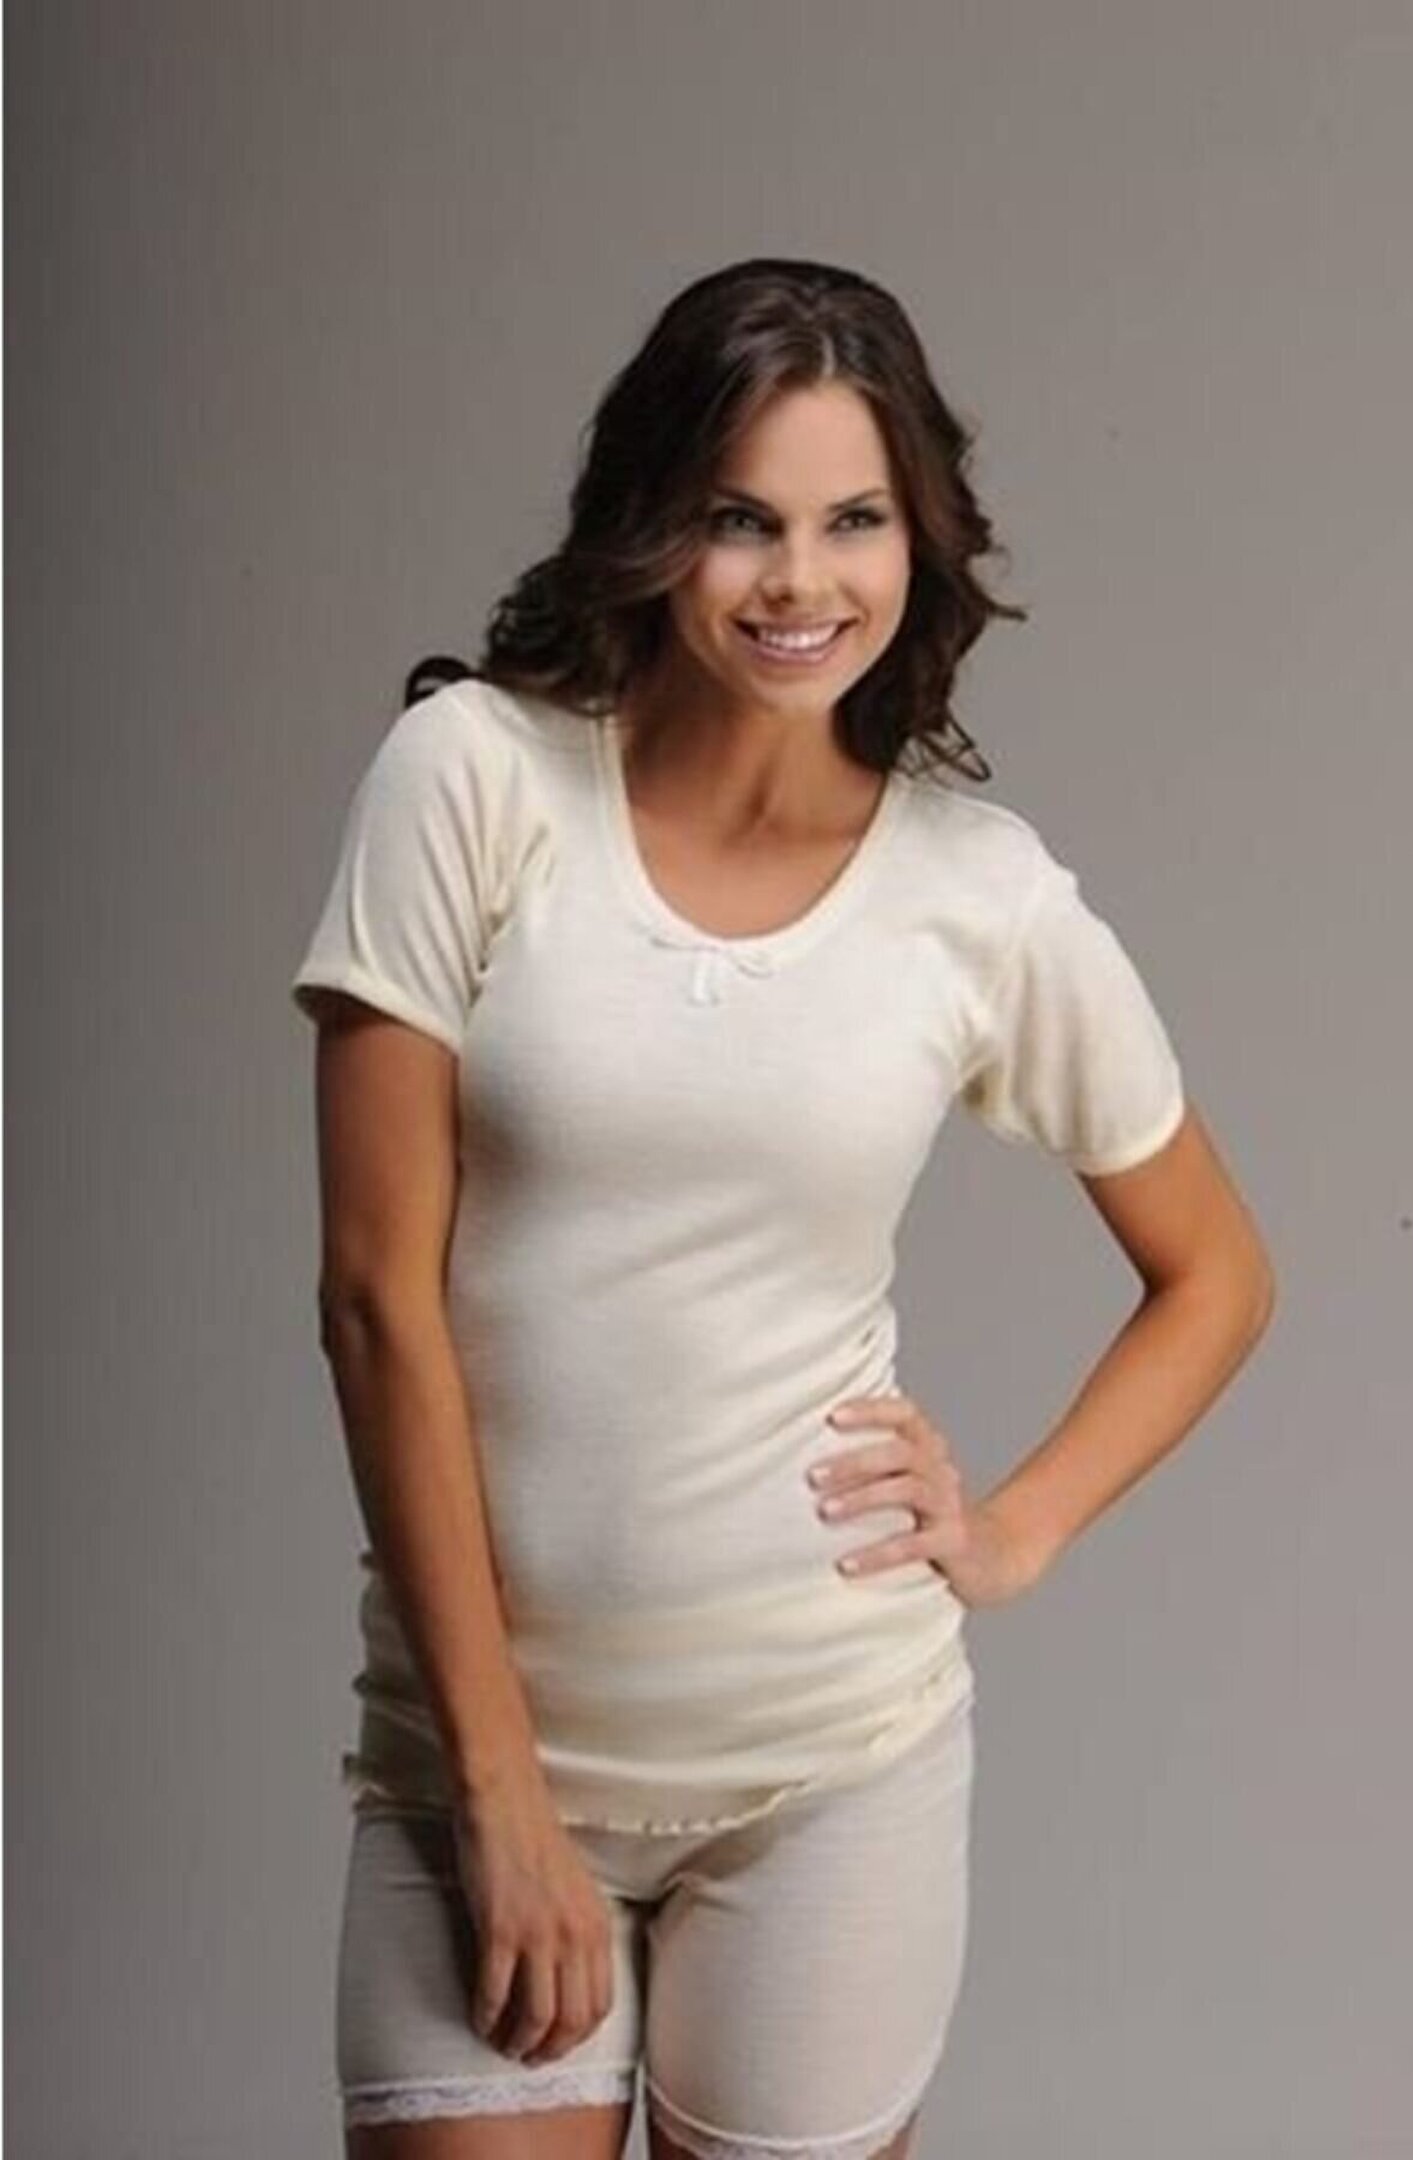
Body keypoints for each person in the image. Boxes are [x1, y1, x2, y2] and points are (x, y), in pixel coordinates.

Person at [289, 257, 1275, 2160]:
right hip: (480, 1759)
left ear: (922, 539)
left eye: (854, 521)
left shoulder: (975, 897)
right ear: (656, 516)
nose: (798, 580)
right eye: (742, 518)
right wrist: (498, 1797)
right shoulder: (472, 781)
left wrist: (1010, 1530)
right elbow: (372, 1302)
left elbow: (1216, 1273)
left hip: (833, 1764)